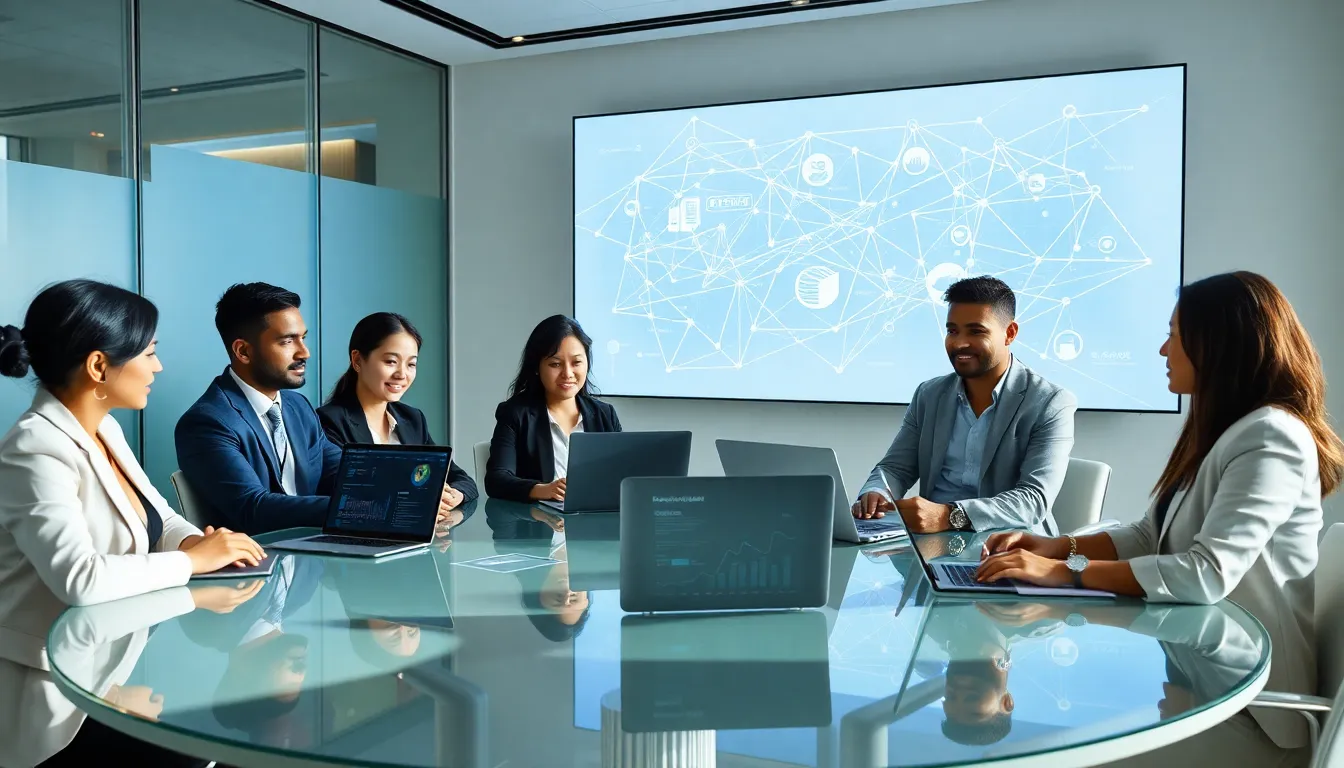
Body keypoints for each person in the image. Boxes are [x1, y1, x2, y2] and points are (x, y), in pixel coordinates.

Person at [978, 271, 1343, 765]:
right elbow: (1151, 534)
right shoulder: (1223, 430)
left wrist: (1063, 574)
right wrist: (1055, 547)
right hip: (1198, 677)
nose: (1163, 350)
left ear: (1216, 344)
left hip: (1252, 714)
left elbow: (1206, 573)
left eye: (1174, 334)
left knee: (1046, 749)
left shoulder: (1271, 436)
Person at [0, 279, 263, 766]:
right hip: (57, 695)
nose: (157, 366)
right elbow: (80, 578)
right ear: (99, 365)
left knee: (225, 737)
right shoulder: (33, 448)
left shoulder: (105, 428)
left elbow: (159, 517)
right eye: (149, 353)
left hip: (114, 667)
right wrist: (191, 563)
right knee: (216, 750)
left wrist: (203, 542)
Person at [853, 276, 1077, 536]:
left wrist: (949, 515)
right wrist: (876, 492)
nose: (959, 343)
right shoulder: (929, 394)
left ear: (1010, 333)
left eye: (976, 331)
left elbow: (1033, 500)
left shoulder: (1051, 402)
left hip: (1011, 547)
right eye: (952, 331)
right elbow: (895, 468)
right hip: (932, 543)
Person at [175, 283, 344, 534]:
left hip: (311, 556)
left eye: (303, 338)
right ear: (243, 351)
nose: (305, 352)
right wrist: (352, 510)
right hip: (254, 564)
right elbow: (253, 509)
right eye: (287, 341)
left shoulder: (299, 407)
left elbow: (343, 473)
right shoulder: (207, 422)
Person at [316, 312, 477, 507]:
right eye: (391, 361)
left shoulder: (412, 419)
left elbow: (462, 479)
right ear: (357, 360)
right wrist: (423, 497)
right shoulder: (329, 421)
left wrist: (452, 497)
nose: (402, 374)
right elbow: (351, 490)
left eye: (411, 364)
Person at [485, 315, 622, 503]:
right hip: (539, 524)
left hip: (595, 523)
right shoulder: (515, 413)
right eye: (555, 364)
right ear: (537, 367)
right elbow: (496, 480)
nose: (568, 373)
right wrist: (542, 490)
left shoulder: (605, 415)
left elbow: (621, 476)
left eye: (576, 363)